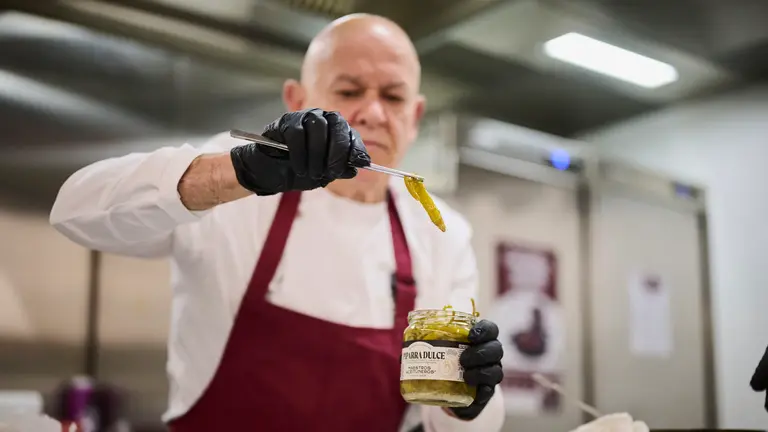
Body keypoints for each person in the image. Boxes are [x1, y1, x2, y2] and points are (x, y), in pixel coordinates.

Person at [49, 13, 505, 432]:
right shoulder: (232, 182)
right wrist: (238, 172)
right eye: (349, 91)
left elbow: (446, 416)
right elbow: (74, 212)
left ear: (416, 116)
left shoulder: (442, 233)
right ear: (298, 99)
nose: (373, 113)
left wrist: (466, 402)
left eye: (393, 95)